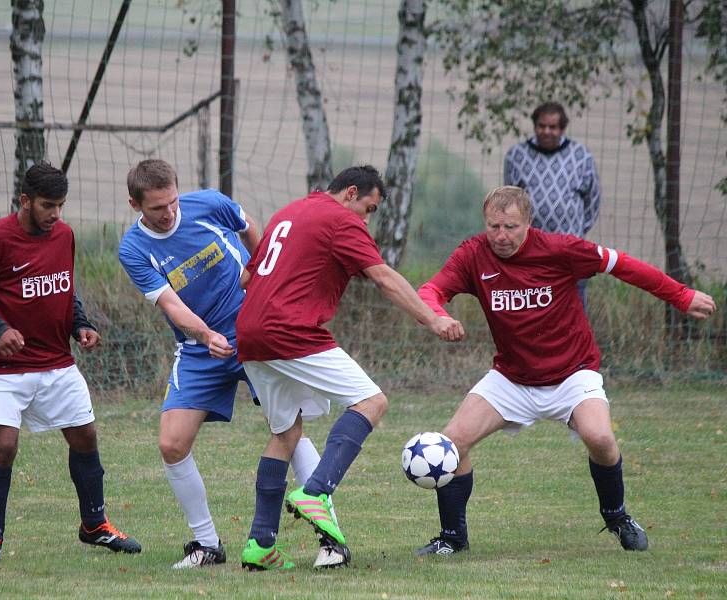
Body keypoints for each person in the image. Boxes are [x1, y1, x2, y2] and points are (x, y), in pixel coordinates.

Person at [415, 186, 716, 556]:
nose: (502, 236)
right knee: (451, 444)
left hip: (572, 374)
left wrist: (680, 296)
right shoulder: (473, 254)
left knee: (601, 438)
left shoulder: (559, 250)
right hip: (512, 378)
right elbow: (431, 290)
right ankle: (452, 538)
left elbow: (622, 264)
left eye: (511, 226)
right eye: (494, 226)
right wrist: (437, 317)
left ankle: (617, 516)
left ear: (528, 223)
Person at [235, 165, 464, 571]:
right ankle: (316, 492)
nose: (367, 218)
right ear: (351, 193)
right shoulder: (340, 218)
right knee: (371, 401)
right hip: (289, 328)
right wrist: (433, 318)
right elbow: (384, 278)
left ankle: (260, 544)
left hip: (250, 331)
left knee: (285, 433)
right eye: (369, 208)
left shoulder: (289, 212)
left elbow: (247, 278)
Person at [117, 159, 330, 569]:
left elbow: (251, 228)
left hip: (255, 329)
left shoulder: (209, 204)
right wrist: (206, 335)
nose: (169, 213)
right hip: (201, 348)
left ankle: (330, 538)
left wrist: (267, 278)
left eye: (173, 202)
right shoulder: (134, 249)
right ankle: (207, 545)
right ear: (135, 204)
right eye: (157, 208)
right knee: (171, 443)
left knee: (287, 426)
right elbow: (171, 304)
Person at [0, 162, 141, 565]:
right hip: (3, 367)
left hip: (56, 362)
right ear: (25, 201)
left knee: (85, 437)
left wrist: (81, 325)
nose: (56, 215)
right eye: (48, 205)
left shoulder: (63, 235)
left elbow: (63, 287)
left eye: (61, 206)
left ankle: (95, 526)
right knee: (4, 447)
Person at [503, 101, 601, 308]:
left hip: (569, 249)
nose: (546, 131)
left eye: (553, 127)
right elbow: (509, 201)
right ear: (535, 126)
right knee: (532, 309)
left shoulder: (581, 156)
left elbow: (593, 200)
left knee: (572, 308)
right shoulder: (517, 156)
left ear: (562, 129)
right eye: (542, 126)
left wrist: (576, 232)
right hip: (531, 250)